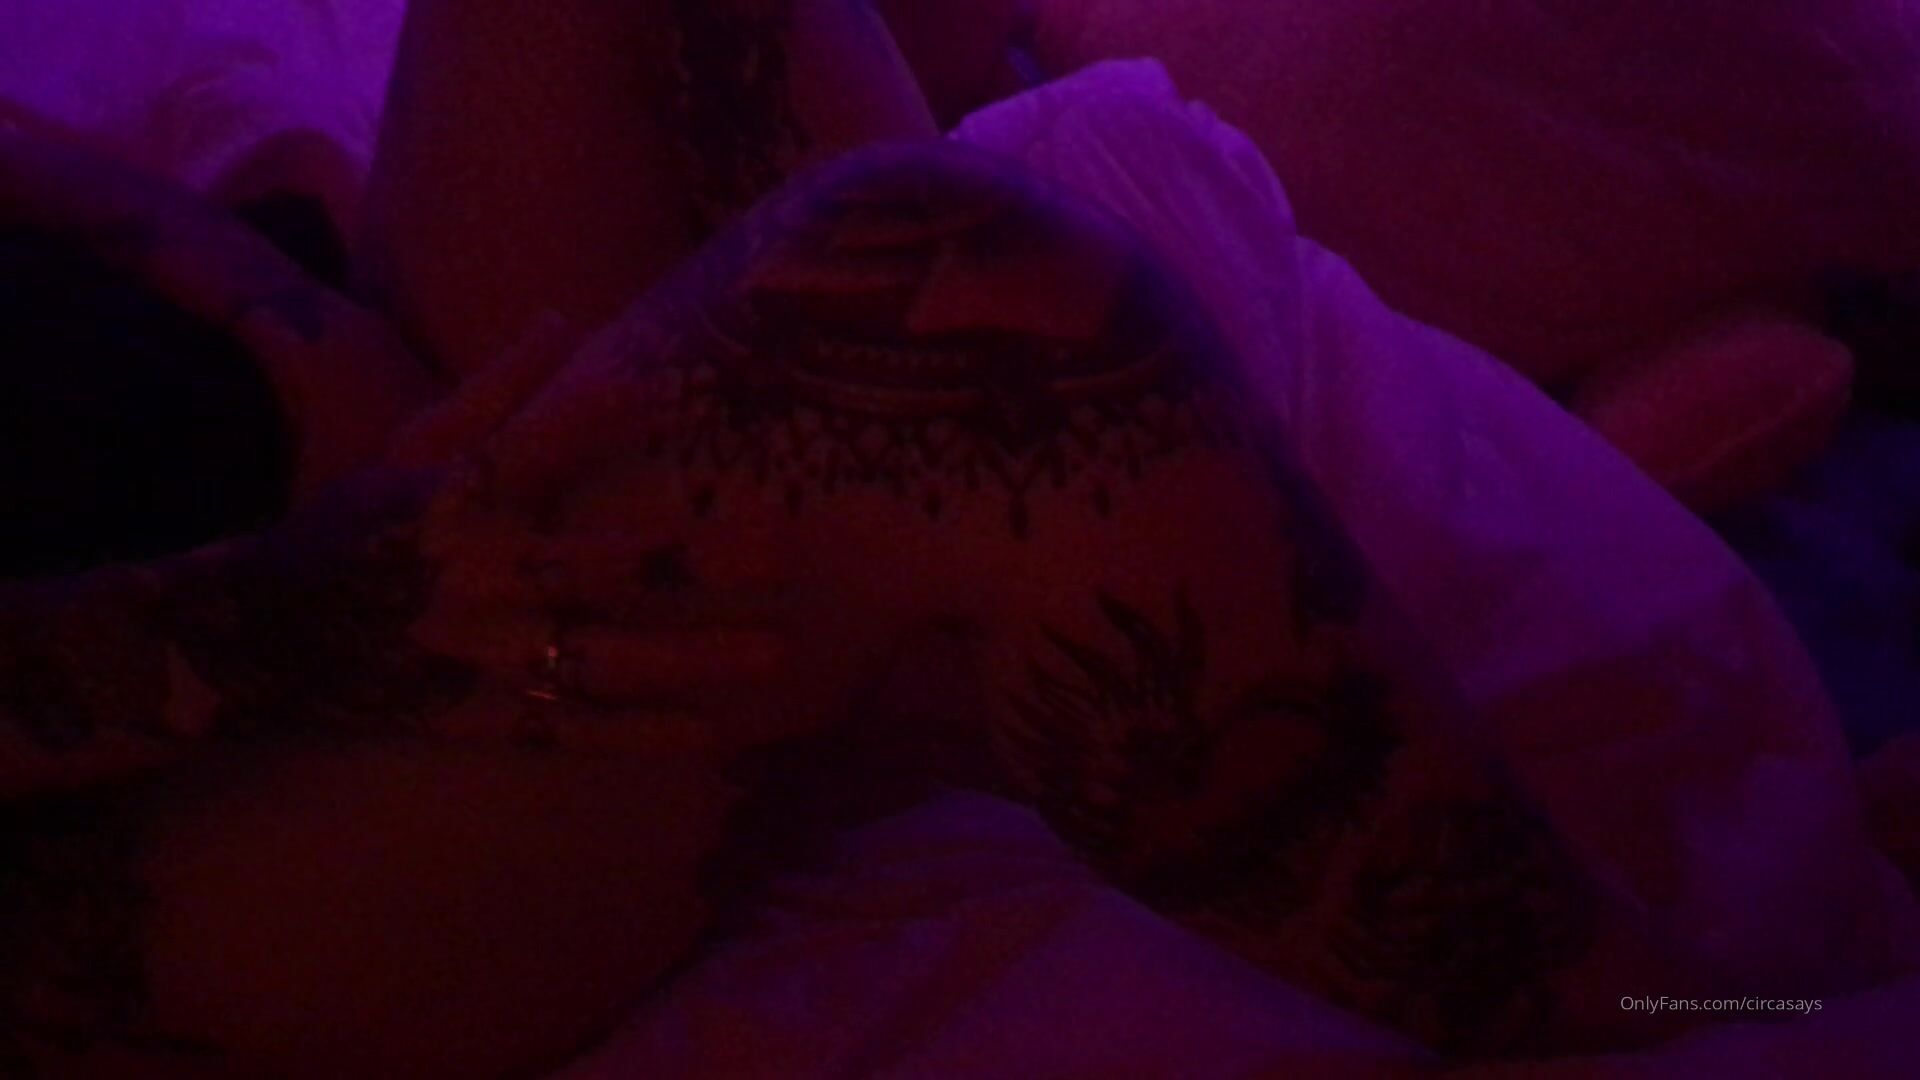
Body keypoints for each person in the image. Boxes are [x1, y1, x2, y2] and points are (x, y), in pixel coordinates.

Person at [0, 2, 1769, 1075]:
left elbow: (66, 193)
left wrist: (325, 366)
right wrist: (297, 614)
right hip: (136, 824)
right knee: (949, 313)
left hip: (305, 504)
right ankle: (1672, 1025)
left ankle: (1014, 641)